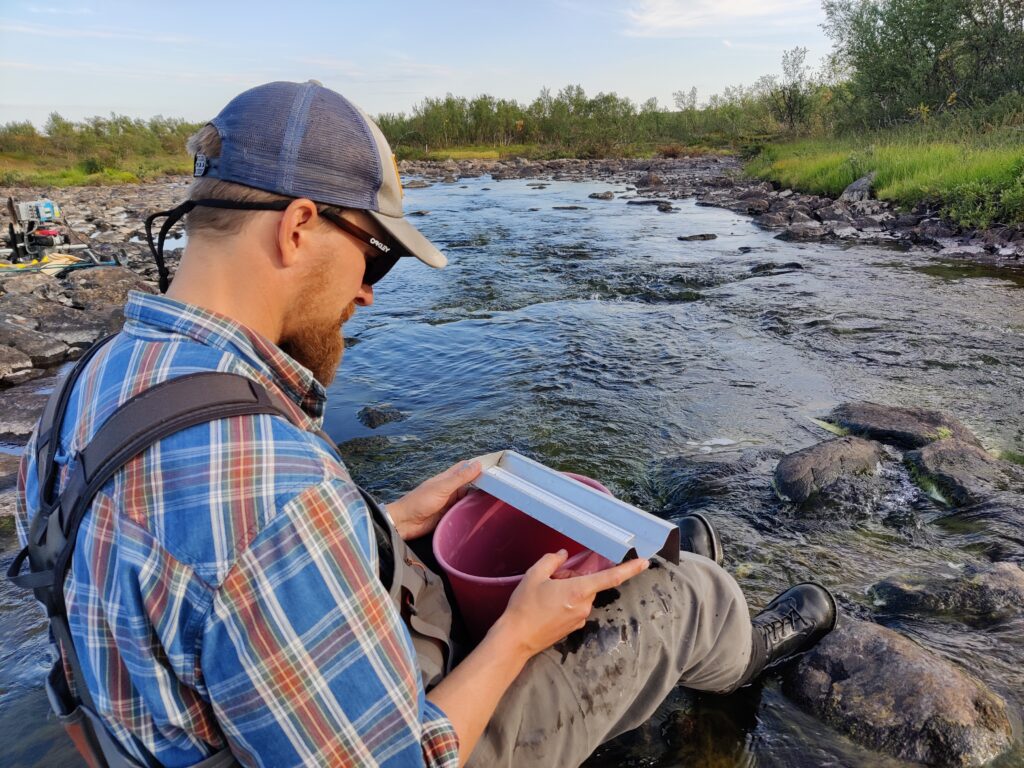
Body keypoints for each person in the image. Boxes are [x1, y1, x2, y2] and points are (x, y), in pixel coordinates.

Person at [15, 81, 837, 768]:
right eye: (376, 255)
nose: (370, 291)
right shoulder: (270, 490)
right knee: (684, 596)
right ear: (300, 226)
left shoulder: (91, 385)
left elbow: (188, 597)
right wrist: (517, 638)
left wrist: (383, 522)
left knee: (469, 562)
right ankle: (741, 651)